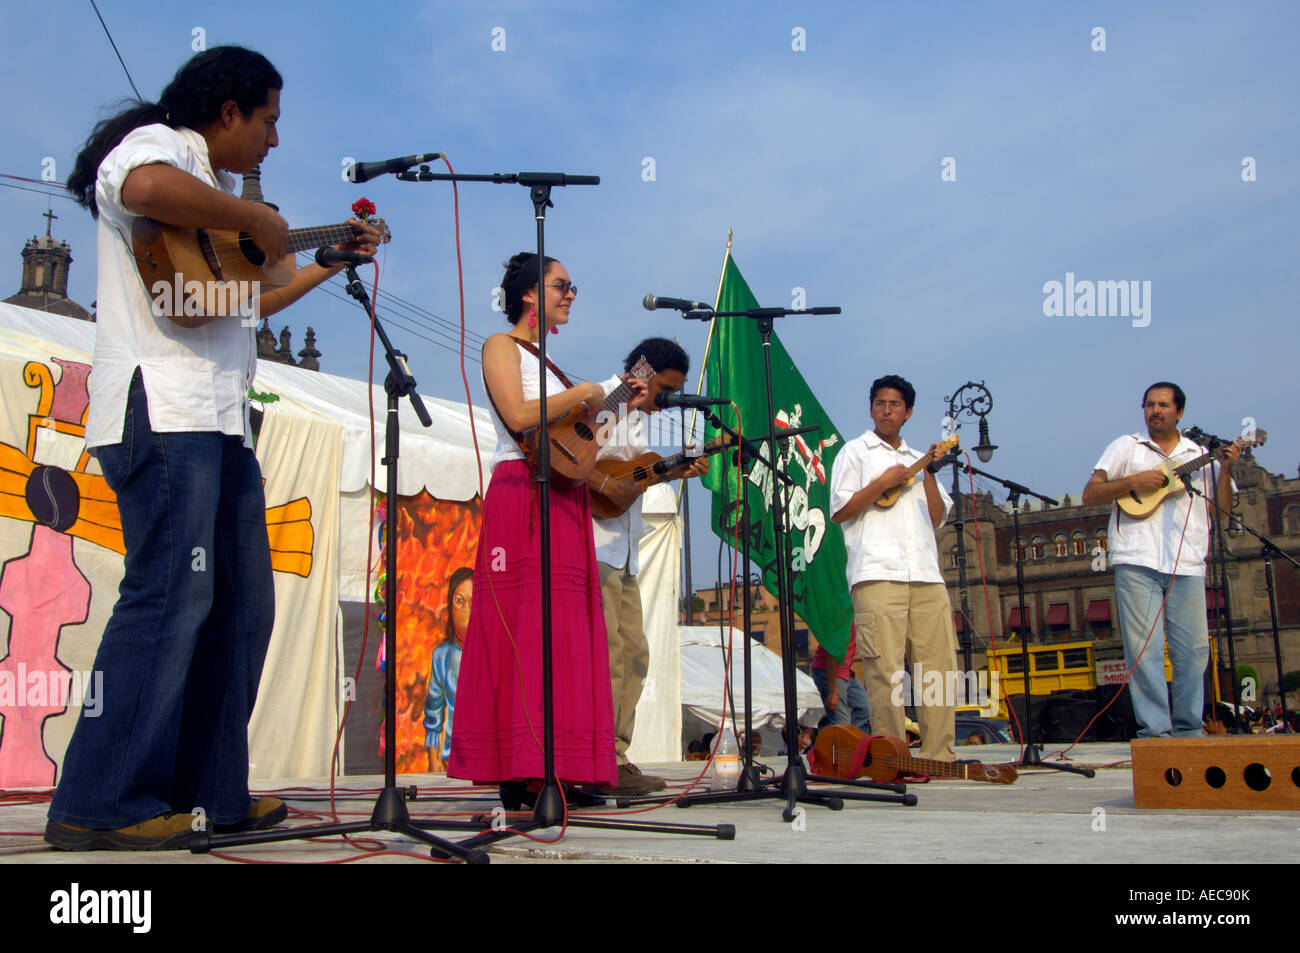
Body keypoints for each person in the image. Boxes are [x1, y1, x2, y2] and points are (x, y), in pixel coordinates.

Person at [46, 46, 379, 850]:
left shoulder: (211, 201)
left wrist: (327, 263)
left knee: (242, 606)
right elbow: (140, 187)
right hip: (160, 408)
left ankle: (208, 791)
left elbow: (241, 302)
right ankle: (98, 799)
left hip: (220, 420)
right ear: (228, 111)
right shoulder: (160, 149)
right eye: (267, 120)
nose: (272, 140)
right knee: (170, 595)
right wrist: (258, 218)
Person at [448, 252, 645, 807]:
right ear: (530, 294)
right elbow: (515, 414)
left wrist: (618, 405)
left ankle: (560, 765)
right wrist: (583, 394)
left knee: (565, 631)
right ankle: (520, 768)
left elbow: (576, 446)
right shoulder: (500, 346)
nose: (572, 294)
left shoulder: (552, 366)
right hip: (520, 491)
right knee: (523, 627)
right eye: (563, 285)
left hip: (564, 496)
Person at [587, 337, 709, 796]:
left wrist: (674, 470)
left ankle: (617, 754)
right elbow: (578, 461)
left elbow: (634, 476)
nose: (669, 400)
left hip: (626, 552)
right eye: (665, 389)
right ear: (641, 373)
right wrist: (620, 403)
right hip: (593, 547)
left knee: (636, 654)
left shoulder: (641, 420)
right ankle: (601, 760)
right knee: (610, 658)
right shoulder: (603, 401)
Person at [1081, 382, 1238, 738]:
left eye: (1163, 405)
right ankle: (1155, 731)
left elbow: (1224, 512)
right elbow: (1092, 493)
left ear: (1179, 412)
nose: (1155, 410)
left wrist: (1226, 470)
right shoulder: (1126, 446)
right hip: (1136, 559)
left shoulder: (1199, 453)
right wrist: (1135, 479)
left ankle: (1189, 729)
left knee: (1194, 651)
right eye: (1150, 404)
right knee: (1143, 651)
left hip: (1187, 563)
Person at [829, 374, 958, 762]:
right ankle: (892, 757)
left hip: (925, 575)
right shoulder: (855, 452)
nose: (887, 410)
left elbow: (936, 518)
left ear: (908, 412)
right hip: (876, 573)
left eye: (895, 405)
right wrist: (881, 482)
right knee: (885, 671)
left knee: (938, 670)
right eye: (880, 403)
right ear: (871, 409)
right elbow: (839, 511)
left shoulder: (918, 461)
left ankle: (940, 755)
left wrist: (930, 473)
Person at [424, 567, 473, 772]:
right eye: (459, 601)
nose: (466, 609)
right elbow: (433, 711)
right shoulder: (442, 656)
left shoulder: (493, 652)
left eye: (473, 600)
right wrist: (434, 759)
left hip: (486, 762)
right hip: (451, 762)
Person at [810, 632, 871, 732]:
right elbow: (831, 653)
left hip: (845, 671)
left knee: (865, 709)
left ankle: (839, 732)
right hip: (829, 671)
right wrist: (833, 690)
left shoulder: (855, 620)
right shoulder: (843, 619)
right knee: (842, 721)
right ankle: (819, 735)